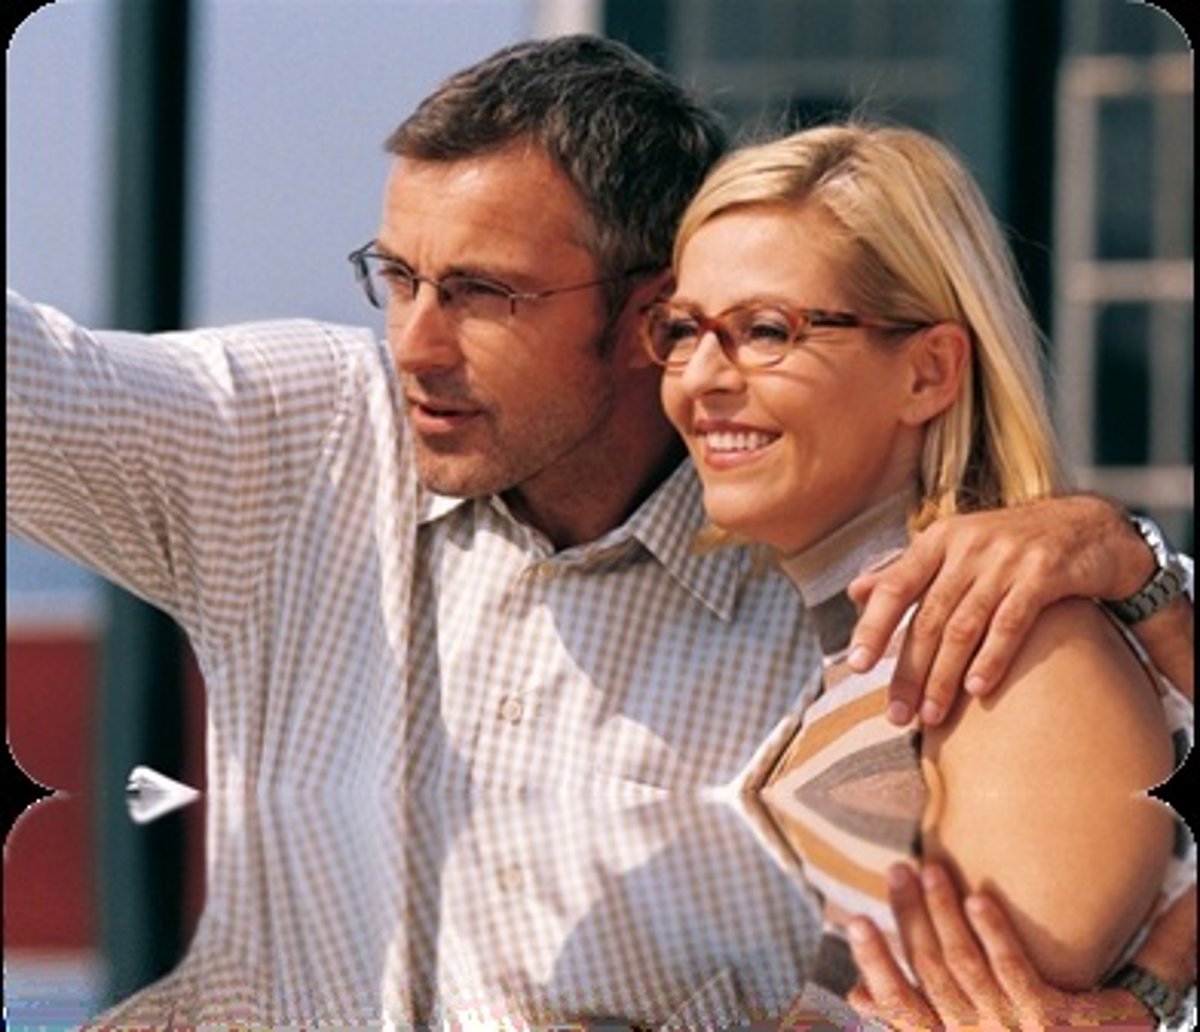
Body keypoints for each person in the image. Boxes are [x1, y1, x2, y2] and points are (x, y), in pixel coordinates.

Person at [6, 33, 1193, 1019]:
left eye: (483, 293)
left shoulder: (965, 624)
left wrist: (1137, 578)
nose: (413, 345)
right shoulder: (311, 439)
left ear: (637, 320)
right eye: (397, 278)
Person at [648, 120, 1195, 1027]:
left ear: (928, 373)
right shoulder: (832, 656)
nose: (699, 377)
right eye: (681, 329)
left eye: (766, 331)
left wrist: (1149, 999)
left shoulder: (1010, 657)